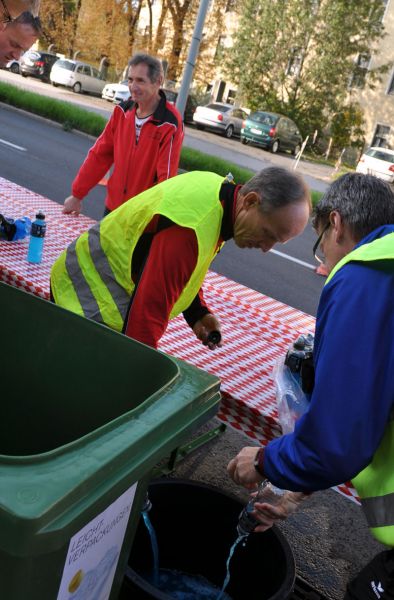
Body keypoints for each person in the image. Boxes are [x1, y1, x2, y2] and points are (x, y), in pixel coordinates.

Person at [227, 172, 394, 599]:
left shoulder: (367, 274)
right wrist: (294, 491)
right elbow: (374, 409)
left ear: (336, 223)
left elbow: (338, 436)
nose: (324, 263)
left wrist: (267, 462)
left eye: (322, 243)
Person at [51, 166, 311, 350]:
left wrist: (197, 312)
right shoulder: (191, 227)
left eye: (277, 241)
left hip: (91, 295)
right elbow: (146, 316)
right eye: (268, 234)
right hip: (81, 302)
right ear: (251, 201)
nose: (267, 247)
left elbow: (181, 269)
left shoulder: (218, 196)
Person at [62, 52, 184, 217]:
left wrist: (158, 217)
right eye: (131, 79)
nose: (133, 86)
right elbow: (100, 154)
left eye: (140, 80)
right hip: (113, 209)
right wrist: (77, 195)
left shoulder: (169, 122)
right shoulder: (122, 111)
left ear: (158, 82)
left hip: (143, 217)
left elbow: (166, 177)